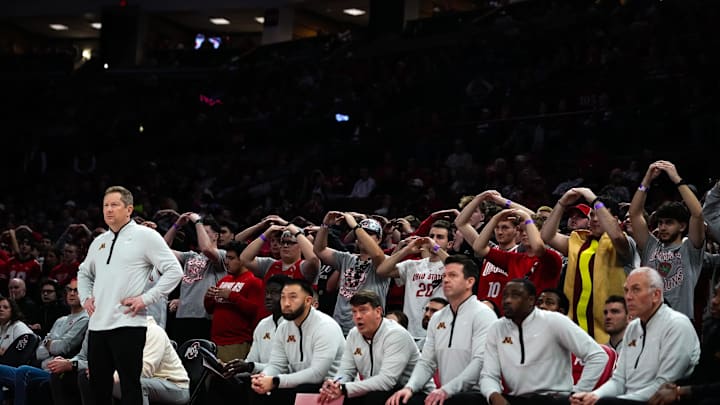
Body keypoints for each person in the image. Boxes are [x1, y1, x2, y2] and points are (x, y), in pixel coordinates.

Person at [78, 185, 183, 405]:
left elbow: (175, 270)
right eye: (105, 205)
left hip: (128, 324)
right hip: (97, 326)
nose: (108, 210)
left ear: (129, 209)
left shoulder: (145, 236)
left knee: (130, 387)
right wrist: (85, 298)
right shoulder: (99, 242)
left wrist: (146, 299)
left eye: (114, 205)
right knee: (98, 389)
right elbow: (83, 272)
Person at [570, 267, 700, 404]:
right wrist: (594, 396)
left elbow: (663, 386)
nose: (628, 297)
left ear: (656, 295)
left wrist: (611, 401)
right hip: (625, 401)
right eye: (626, 290)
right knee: (568, 400)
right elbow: (618, 381)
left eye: (636, 290)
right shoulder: (633, 327)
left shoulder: (677, 325)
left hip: (655, 402)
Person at [386, 255, 498, 405]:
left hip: (478, 394)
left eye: (452, 275)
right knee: (401, 400)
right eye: (444, 275)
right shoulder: (438, 317)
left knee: (457, 401)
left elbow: (480, 362)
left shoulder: (484, 314)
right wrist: (410, 388)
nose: (445, 280)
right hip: (447, 394)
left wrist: (447, 390)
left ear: (469, 282)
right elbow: (427, 362)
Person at [480, 278, 608, 405]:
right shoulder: (496, 328)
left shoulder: (554, 321)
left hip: (553, 398)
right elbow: (488, 375)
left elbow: (597, 355)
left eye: (515, 295)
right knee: (467, 399)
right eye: (505, 296)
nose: (507, 301)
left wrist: (578, 393)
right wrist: (494, 395)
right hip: (517, 398)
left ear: (530, 300)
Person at [541, 187, 640, 342]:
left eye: (599, 215)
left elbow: (616, 235)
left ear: (614, 219)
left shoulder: (624, 242)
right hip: (576, 330)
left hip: (612, 334)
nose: (594, 219)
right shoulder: (578, 241)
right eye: (592, 215)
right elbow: (547, 235)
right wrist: (562, 203)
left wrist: (593, 198)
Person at [318, 290, 435, 405]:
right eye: (354, 312)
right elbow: (346, 371)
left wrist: (344, 388)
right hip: (380, 391)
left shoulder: (396, 334)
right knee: (336, 397)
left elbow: (386, 381)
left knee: (373, 398)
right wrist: (336, 384)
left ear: (378, 311)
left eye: (363, 311)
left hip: (417, 393)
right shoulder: (354, 334)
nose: (357, 316)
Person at [628, 161, 705, 322]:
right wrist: (647, 180)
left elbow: (697, 214)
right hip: (648, 322)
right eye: (660, 222)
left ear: (682, 226)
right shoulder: (651, 246)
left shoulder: (690, 250)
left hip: (680, 323)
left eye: (669, 223)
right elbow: (635, 214)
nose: (662, 227)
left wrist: (677, 179)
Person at [249, 278, 345, 404]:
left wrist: (275, 381)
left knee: (301, 389)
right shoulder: (284, 327)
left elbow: (317, 374)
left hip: (335, 388)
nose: (286, 303)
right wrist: (264, 378)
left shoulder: (325, 326)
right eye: (283, 297)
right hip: (303, 386)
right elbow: (276, 365)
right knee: (256, 390)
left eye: (293, 297)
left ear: (308, 301)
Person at [0, 278, 88, 405]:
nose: (72, 293)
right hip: (42, 366)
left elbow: (63, 347)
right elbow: (40, 350)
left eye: (77, 291)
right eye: (69, 290)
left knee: (23, 370)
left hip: (56, 371)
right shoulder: (60, 320)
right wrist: (50, 342)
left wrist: (49, 342)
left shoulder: (84, 319)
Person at [470, 208, 562, 316]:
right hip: (513, 318)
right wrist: (495, 219)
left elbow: (538, 247)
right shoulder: (514, 259)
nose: (524, 234)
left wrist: (527, 218)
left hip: (539, 318)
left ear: (541, 232)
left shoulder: (552, 258)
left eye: (528, 230)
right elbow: (479, 247)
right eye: (522, 230)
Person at [314, 212, 389, 334]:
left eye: (370, 234)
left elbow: (376, 254)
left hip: (369, 329)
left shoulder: (385, 260)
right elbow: (319, 250)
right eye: (362, 233)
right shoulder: (347, 258)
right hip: (339, 326)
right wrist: (325, 224)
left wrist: (355, 226)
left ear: (379, 239)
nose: (364, 236)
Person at [376, 220, 452, 339]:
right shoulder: (412, 265)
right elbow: (382, 270)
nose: (434, 240)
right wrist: (406, 250)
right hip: (410, 332)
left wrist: (435, 247)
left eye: (440, 237)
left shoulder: (451, 266)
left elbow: (455, 266)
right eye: (431, 236)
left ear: (450, 244)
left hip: (439, 333)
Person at [164, 212, 227, 345]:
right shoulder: (190, 256)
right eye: (200, 232)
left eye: (206, 232)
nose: (200, 235)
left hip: (204, 317)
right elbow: (162, 249)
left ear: (216, 236)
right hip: (183, 315)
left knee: (200, 360)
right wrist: (177, 224)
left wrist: (198, 222)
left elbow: (206, 249)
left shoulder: (222, 255)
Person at [204, 240, 264, 362]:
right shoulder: (224, 280)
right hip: (215, 341)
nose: (226, 262)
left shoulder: (254, 282)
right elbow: (210, 310)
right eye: (226, 257)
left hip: (237, 342)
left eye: (231, 258)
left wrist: (233, 296)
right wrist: (208, 297)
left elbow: (256, 312)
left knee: (230, 378)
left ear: (242, 260)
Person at [0, 296, 33, 361]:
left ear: (12, 310)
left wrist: (5, 352)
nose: (1, 309)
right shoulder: (1, 327)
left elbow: (24, 353)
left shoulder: (19, 326)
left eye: (5, 307)